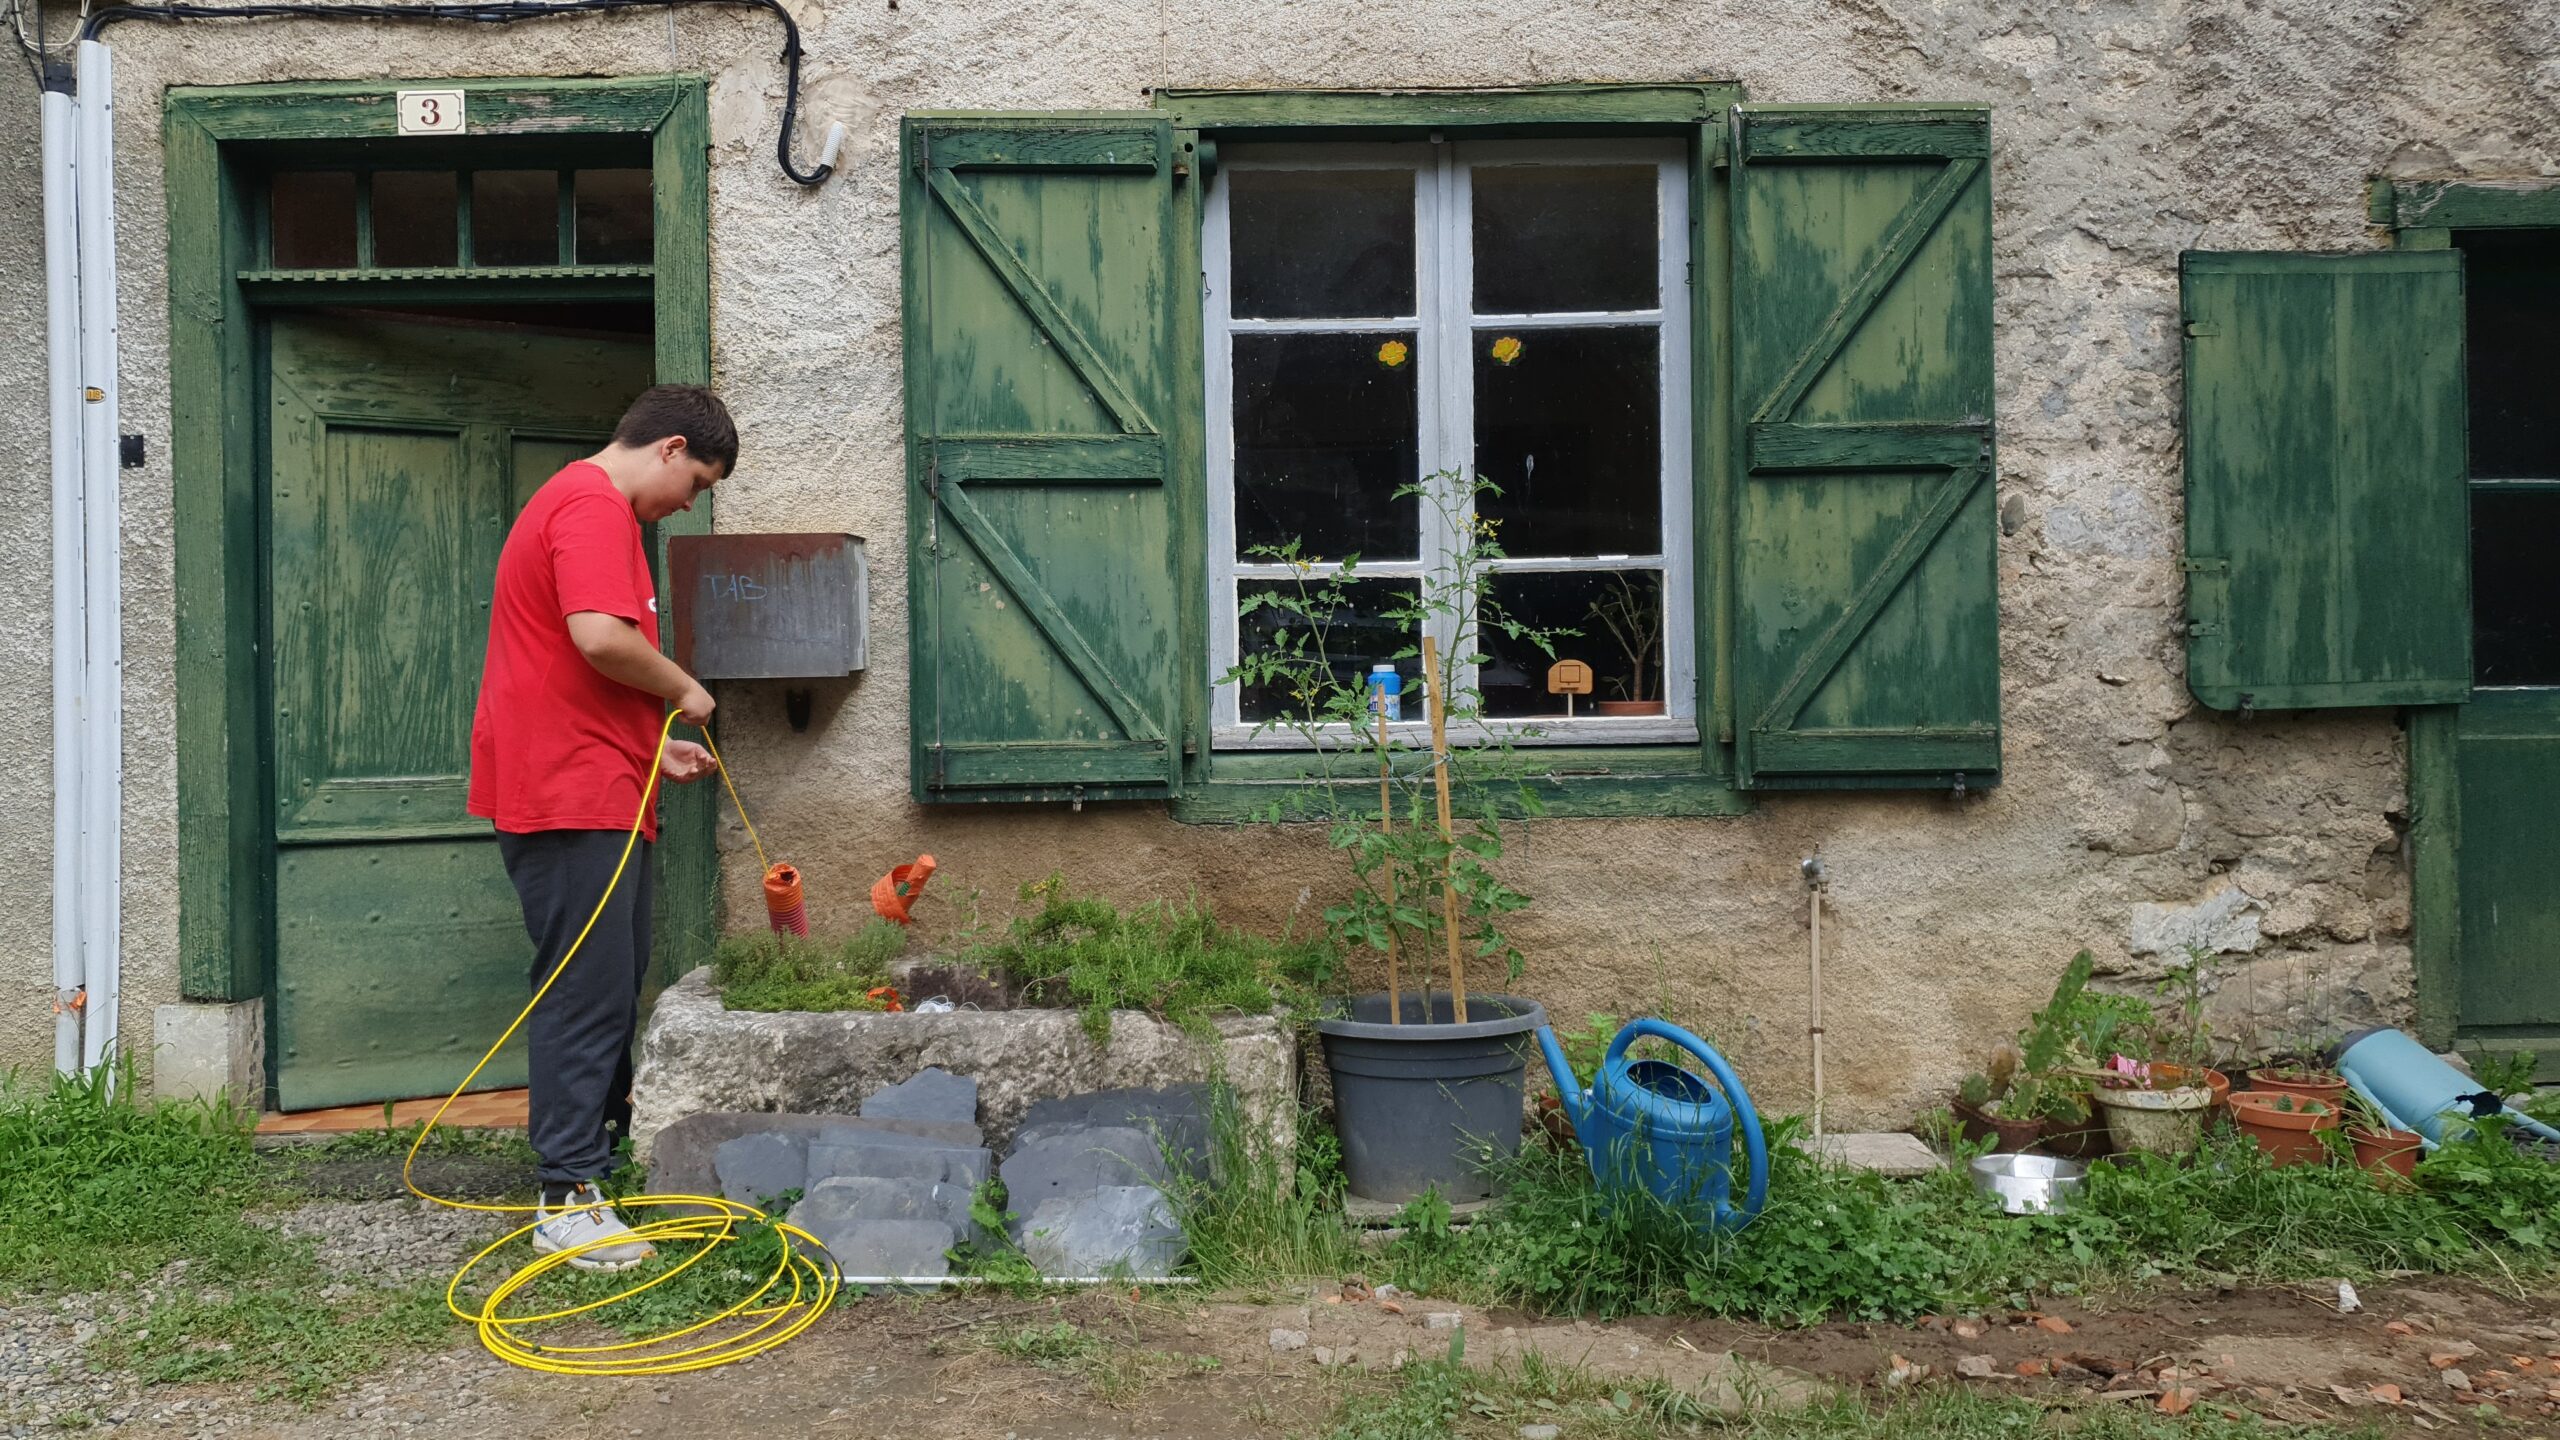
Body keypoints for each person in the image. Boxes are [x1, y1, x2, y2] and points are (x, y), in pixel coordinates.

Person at [466, 384, 733, 1271]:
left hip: (596, 784)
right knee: (585, 994)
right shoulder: (591, 505)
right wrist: (683, 688)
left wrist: (653, 754)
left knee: (607, 987)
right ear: (667, 449)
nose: (689, 503)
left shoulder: (585, 507)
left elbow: (568, 670)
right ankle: (566, 1198)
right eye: (695, 481)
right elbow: (596, 638)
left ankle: (590, 1177)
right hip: (570, 795)